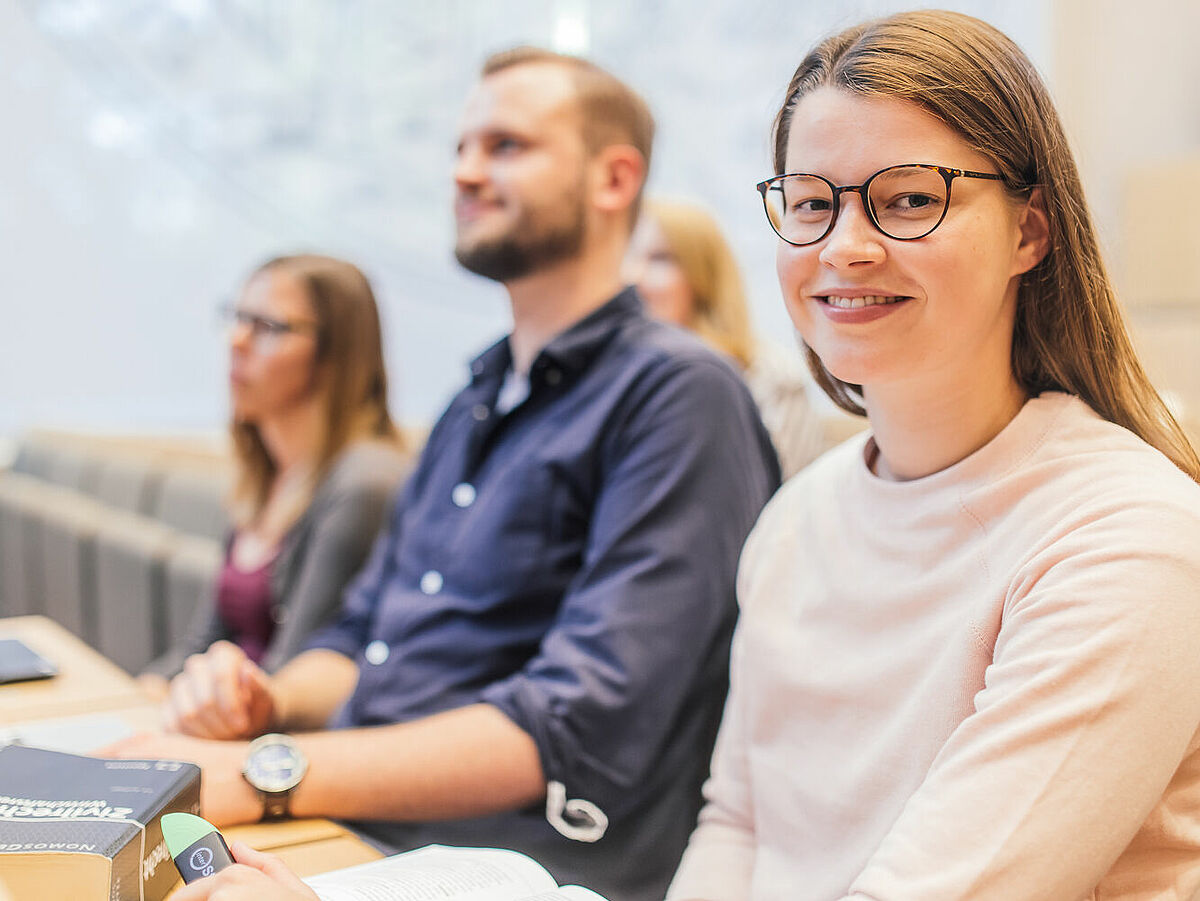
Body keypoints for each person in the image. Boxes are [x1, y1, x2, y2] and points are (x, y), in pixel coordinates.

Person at [109, 47, 779, 901]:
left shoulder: (680, 395)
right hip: (357, 817)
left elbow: (575, 725)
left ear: (614, 179)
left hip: (508, 863)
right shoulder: (476, 394)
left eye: (506, 146)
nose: (465, 171)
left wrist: (265, 769)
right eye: (462, 147)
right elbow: (360, 641)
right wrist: (262, 700)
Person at [666, 10, 1200, 901]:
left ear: (1031, 233)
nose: (844, 246)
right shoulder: (797, 515)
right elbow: (740, 824)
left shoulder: (1128, 540)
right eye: (809, 202)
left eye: (910, 198)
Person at [137, 254, 411, 700]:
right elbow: (203, 646)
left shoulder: (364, 482)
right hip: (224, 719)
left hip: (274, 745)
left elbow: (292, 677)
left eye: (267, 327)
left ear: (335, 354)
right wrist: (139, 694)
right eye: (237, 318)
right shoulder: (267, 475)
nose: (237, 340)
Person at [627, 198, 825, 477]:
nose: (634, 276)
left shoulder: (769, 375)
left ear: (703, 276)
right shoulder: (613, 372)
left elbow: (788, 498)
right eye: (626, 256)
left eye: (660, 259)